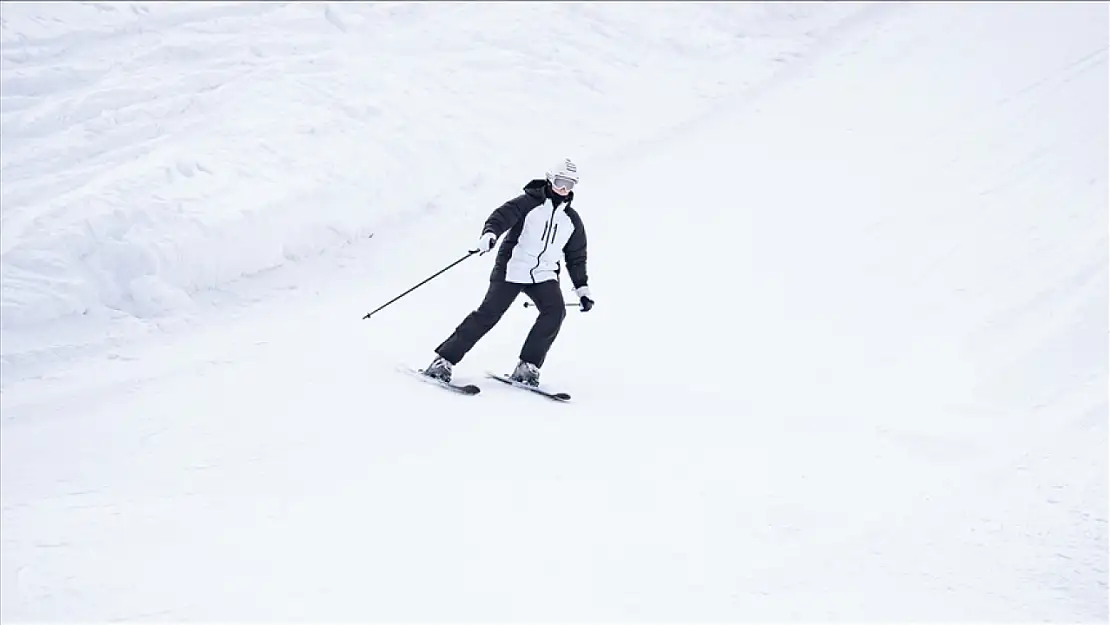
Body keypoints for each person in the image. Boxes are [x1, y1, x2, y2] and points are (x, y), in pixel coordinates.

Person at [423, 158, 594, 387]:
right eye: (560, 182)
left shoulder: (571, 221)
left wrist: (582, 290)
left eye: (570, 184)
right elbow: (501, 217)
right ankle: (443, 361)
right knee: (488, 315)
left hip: (544, 275)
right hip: (513, 268)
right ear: (550, 179)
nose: (564, 189)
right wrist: (490, 234)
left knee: (555, 313)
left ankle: (528, 367)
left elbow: (576, 257)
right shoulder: (528, 203)